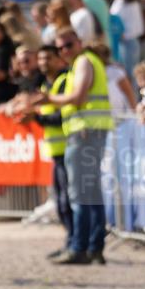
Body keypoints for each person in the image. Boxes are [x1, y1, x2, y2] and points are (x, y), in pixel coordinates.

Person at [39, 29, 113, 265]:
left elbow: (79, 97)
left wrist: (49, 99)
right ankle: (94, 247)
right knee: (91, 192)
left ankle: (79, 248)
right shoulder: (87, 62)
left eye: (68, 45)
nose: (64, 51)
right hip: (90, 132)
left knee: (79, 194)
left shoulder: (83, 62)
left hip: (84, 133)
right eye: (60, 48)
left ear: (79, 43)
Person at [25, 45, 74, 256]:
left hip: (68, 148)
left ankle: (75, 244)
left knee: (67, 201)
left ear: (58, 60)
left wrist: (36, 118)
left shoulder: (63, 82)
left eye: (48, 58)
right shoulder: (46, 84)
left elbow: (61, 116)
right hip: (56, 150)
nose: (44, 62)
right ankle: (70, 242)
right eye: (41, 58)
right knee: (61, 201)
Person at [109, 0, 144, 83]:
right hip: (119, 43)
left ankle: (133, 98)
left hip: (129, 42)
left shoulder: (132, 3)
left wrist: (123, 34)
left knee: (130, 75)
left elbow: (138, 27)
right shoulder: (118, 1)